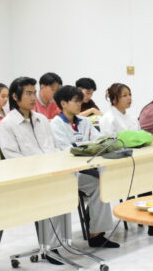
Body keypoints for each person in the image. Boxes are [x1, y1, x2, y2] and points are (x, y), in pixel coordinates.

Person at [0, 77, 71, 261]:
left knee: (86, 181)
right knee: (52, 190)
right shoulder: (7, 125)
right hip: (28, 178)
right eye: (28, 94)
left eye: (34, 93)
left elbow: (55, 148)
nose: (33, 98)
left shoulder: (42, 120)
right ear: (16, 97)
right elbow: (14, 160)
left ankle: (90, 236)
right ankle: (51, 249)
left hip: (52, 172)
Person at [49, 85, 120, 249]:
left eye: (80, 101)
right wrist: (87, 146)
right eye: (75, 101)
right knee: (97, 184)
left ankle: (97, 233)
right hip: (67, 173)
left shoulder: (85, 121)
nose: (79, 104)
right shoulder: (56, 124)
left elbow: (100, 141)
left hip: (86, 167)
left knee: (103, 182)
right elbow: (67, 150)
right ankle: (92, 232)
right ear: (63, 103)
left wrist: (83, 146)